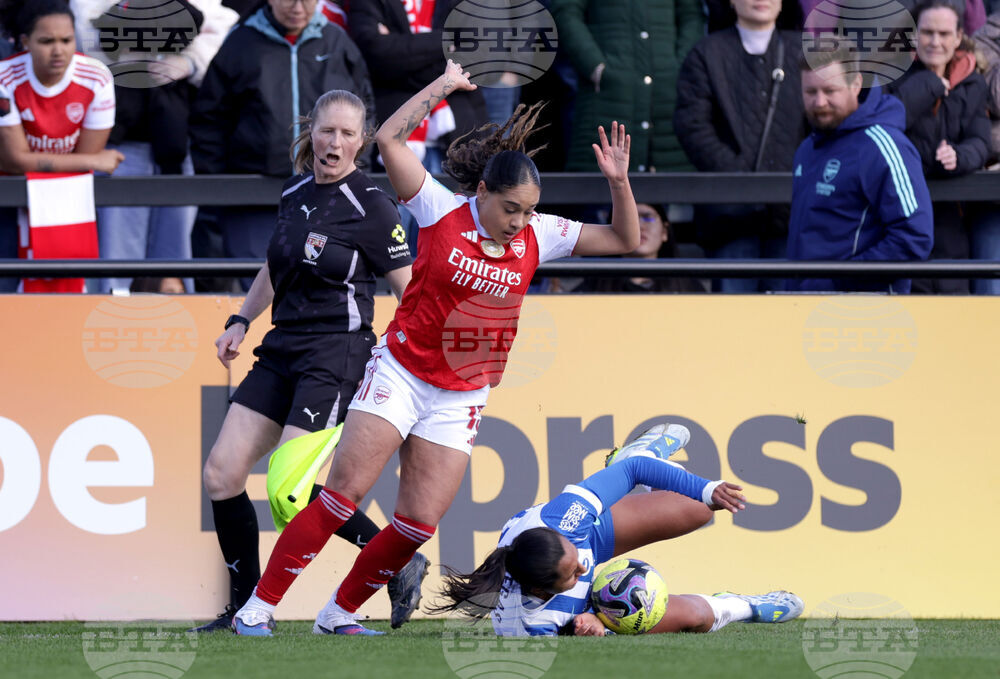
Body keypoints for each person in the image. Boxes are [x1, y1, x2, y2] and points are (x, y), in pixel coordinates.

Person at [230, 59, 642, 636]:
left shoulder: (539, 233)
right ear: (481, 193)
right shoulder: (439, 208)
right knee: (341, 497)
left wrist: (618, 183)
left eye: (527, 212)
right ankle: (259, 607)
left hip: (462, 393)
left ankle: (339, 614)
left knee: (418, 522)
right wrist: (443, 86)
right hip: (401, 372)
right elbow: (388, 138)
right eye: (509, 209)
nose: (518, 223)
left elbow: (627, 239)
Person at [191, 89, 426, 633]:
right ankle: (241, 610)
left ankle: (396, 558)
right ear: (311, 132)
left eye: (347, 134)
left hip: (337, 355)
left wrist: (410, 360)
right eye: (327, 131)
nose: (334, 142)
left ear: (362, 142)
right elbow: (275, 267)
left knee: (286, 488)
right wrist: (240, 321)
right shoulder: (294, 189)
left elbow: (408, 291)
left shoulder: (372, 203)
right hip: (281, 349)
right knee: (221, 474)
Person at [430, 424, 804, 636]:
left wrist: (707, 489)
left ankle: (630, 453)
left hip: (588, 533)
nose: (584, 568)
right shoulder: (534, 627)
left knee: (699, 511)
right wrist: (596, 629)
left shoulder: (566, 521)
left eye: (577, 562)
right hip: (586, 609)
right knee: (693, 617)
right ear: (541, 589)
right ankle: (745, 606)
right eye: (574, 573)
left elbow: (633, 471)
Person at [189, 0, 374, 291]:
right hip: (253, 195)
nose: (298, 7)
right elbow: (209, 119)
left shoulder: (337, 40)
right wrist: (219, 184)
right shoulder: (241, 42)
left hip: (326, 192)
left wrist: (355, 169)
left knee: (322, 288)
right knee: (259, 288)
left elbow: (364, 110)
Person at [71, 0, 239, 294]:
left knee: (175, 253)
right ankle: (111, 317)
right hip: (119, 139)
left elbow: (222, 26)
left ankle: (176, 329)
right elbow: (87, 29)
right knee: (116, 251)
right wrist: (139, 45)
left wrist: (189, 61)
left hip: (177, 137)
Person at [674, 0, 806, 293]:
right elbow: (692, 127)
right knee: (732, 319)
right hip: (729, 216)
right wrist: (740, 179)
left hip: (793, 213)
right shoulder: (706, 53)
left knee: (787, 317)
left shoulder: (805, 51)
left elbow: (822, 120)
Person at [0, 0, 123, 293]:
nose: (59, 51)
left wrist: (86, 161)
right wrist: (88, 163)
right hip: (8, 197)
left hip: (68, 202)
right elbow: (14, 161)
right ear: (25, 42)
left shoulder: (97, 78)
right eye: (46, 41)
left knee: (68, 290)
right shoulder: (5, 78)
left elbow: (88, 154)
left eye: (66, 40)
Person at [787, 50, 934, 293]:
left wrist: (837, 282)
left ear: (856, 84)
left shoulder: (883, 145)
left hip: (863, 313)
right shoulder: (807, 148)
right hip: (804, 305)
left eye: (830, 90)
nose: (819, 102)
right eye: (810, 92)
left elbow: (914, 237)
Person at [889, 0, 992, 294]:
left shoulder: (973, 83)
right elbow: (889, 123)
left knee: (952, 309)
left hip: (951, 220)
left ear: (959, 37)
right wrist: (931, 83)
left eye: (945, 34)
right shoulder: (891, 74)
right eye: (927, 32)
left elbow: (980, 142)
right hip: (899, 220)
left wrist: (958, 156)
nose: (936, 42)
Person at [551, 0, 704, 173]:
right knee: (604, 190)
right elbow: (566, 12)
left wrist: (678, 67)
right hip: (606, 98)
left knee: (672, 190)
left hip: (665, 97)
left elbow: (693, 17)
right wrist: (596, 67)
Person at [578, 203, 706, 293]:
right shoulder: (591, 288)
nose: (639, 227)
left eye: (648, 218)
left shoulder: (688, 288)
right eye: (629, 219)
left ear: (665, 232)